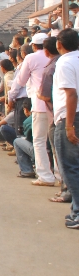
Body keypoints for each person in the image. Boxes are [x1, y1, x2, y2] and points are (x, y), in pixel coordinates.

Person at [8, 32, 55, 186]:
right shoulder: (56, 57)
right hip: (56, 105)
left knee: (39, 141)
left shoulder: (31, 58)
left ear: (34, 46)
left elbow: (20, 80)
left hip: (40, 104)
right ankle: (60, 176)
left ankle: (45, 176)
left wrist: (11, 96)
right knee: (55, 142)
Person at [52, 29, 79, 228]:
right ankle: (75, 210)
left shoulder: (64, 62)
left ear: (59, 45)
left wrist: (69, 126)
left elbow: (71, 94)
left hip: (70, 117)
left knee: (70, 168)